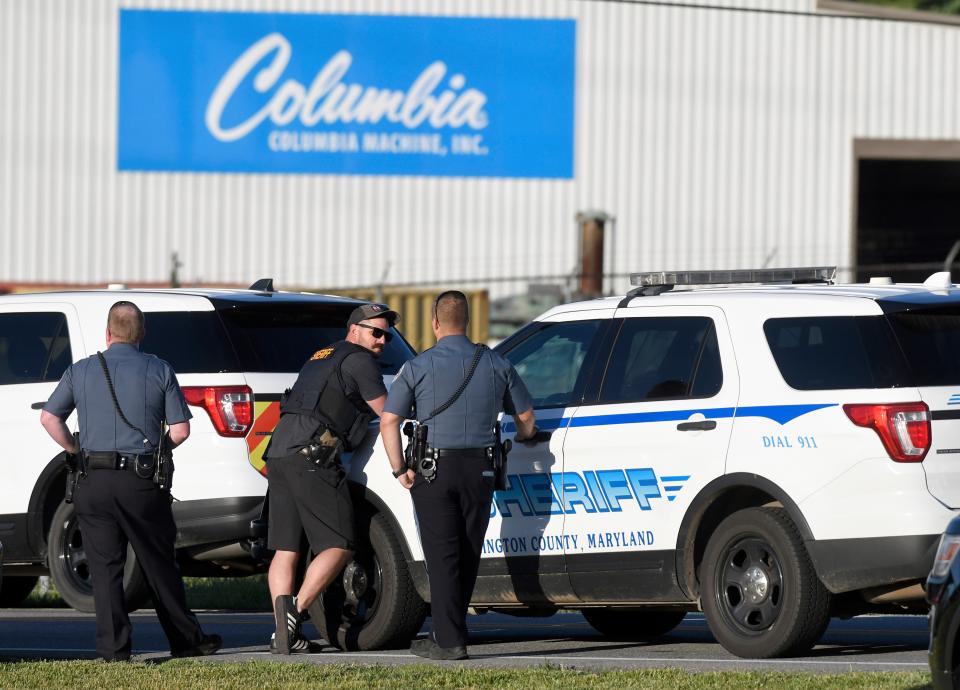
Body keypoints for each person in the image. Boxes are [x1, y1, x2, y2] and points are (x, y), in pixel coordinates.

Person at [39, 300, 220, 662]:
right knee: (157, 563)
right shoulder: (159, 369)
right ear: (142, 335)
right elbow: (181, 430)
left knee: (106, 570)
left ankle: (114, 651)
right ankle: (185, 640)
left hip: (92, 481)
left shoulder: (81, 370)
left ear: (107, 334)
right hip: (140, 483)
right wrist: (157, 451)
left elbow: (48, 418)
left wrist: (76, 449)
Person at [380, 290, 537, 661]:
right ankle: (450, 630)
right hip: (481, 468)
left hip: (433, 470)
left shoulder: (418, 367)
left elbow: (389, 421)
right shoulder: (497, 363)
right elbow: (526, 420)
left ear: (435, 323)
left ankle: (449, 641)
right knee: (468, 551)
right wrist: (528, 438)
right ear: (466, 322)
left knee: (442, 554)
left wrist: (399, 468)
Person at [264, 302, 398, 654]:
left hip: (278, 453)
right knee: (339, 544)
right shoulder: (360, 359)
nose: (383, 340)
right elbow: (389, 412)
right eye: (376, 332)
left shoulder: (322, 355)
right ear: (355, 330)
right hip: (311, 458)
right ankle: (295, 614)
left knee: (286, 548)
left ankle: (283, 631)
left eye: (387, 334)